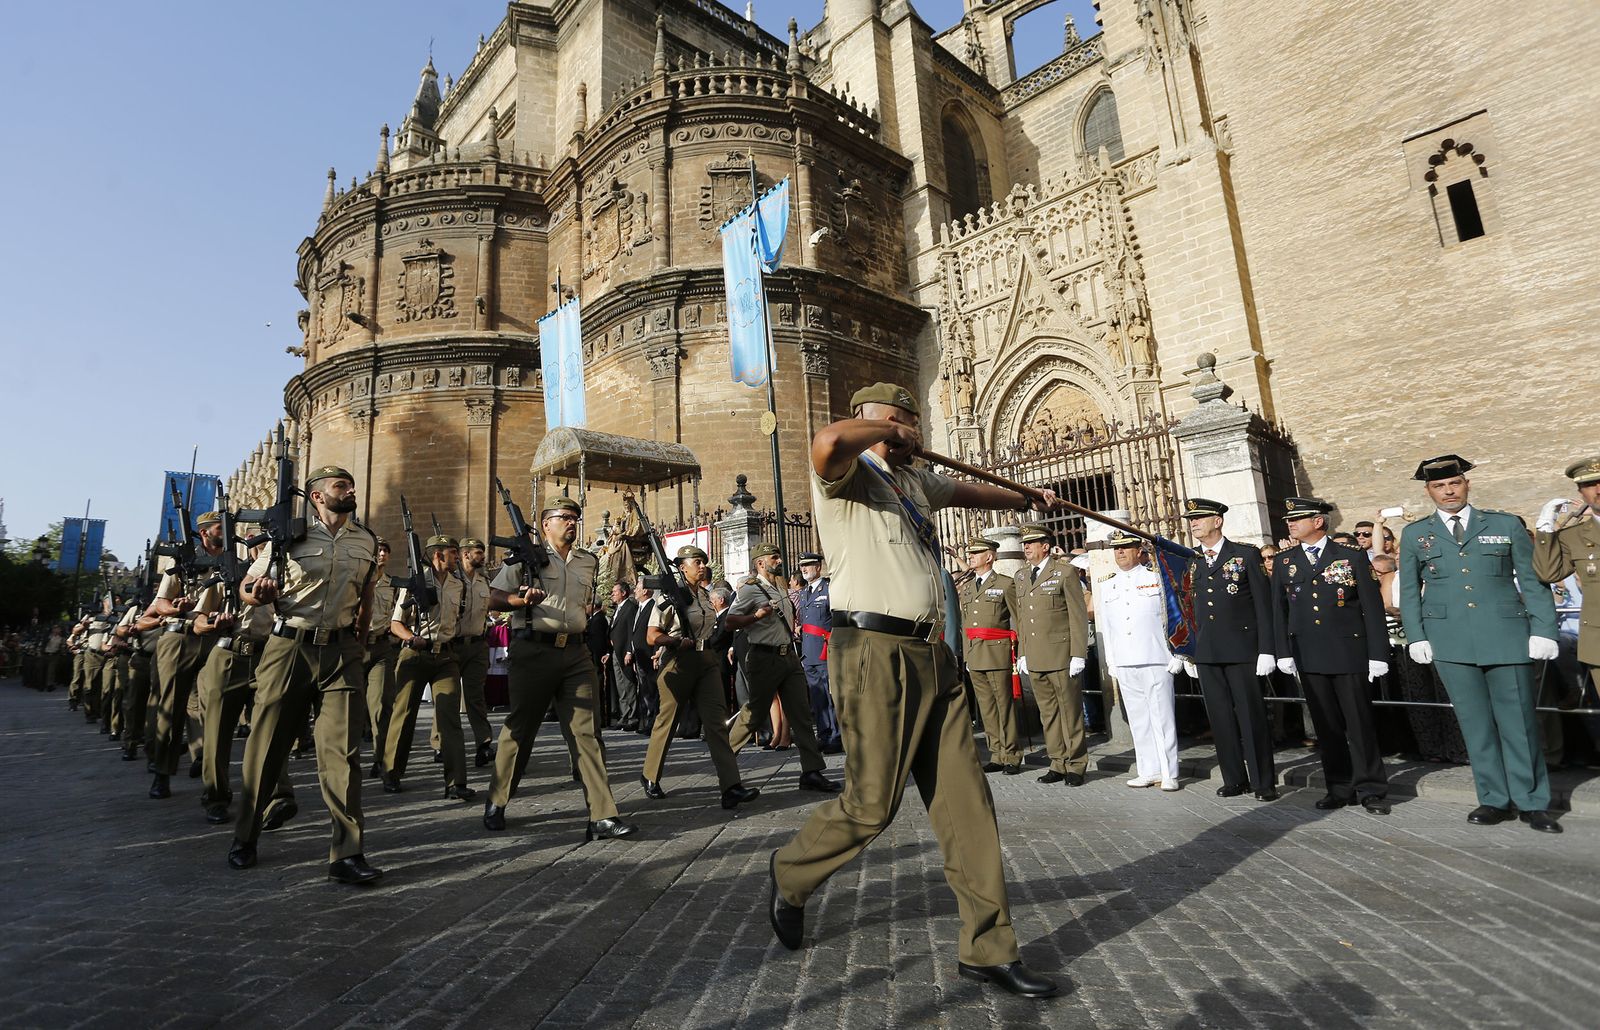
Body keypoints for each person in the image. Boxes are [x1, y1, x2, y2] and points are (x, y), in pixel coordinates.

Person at [768, 382, 1059, 998]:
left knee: (968, 806)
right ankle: (791, 873)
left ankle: (987, 947)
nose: (911, 430)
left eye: (914, 421)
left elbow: (970, 492)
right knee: (871, 806)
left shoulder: (914, 482)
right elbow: (827, 441)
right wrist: (884, 433)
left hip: (934, 655)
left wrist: (1025, 496)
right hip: (873, 653)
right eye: (898, 420)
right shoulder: (847, 476)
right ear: (870, 422)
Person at [232, 465, 382, 883]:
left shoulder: (366, 540)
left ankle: (347, 854)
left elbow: (367, 596)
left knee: (343, 754)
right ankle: (245, 836)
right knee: (267, 745)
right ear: (317, 496)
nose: (349, 491)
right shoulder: (288, 538)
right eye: (341, 486)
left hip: (341, 651)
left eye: (351, 485)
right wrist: (257, 594)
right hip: (289, 648)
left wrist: (360, 644)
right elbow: (247, 587)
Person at [1398, 454, 1561, 833]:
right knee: (1475, 725)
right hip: (1450, 640)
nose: (1448, 491)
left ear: (1466, 484)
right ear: (1429, 491)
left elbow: (1532, 580)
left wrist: (1543, 629)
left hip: (1506, 636)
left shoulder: (1503, 524)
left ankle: (1532, 801)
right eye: (1439, 486)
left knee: (1520, 723)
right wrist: (1416, 636)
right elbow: (1408, 590)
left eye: (1454, 483)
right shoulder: (1415, 534)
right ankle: (1493, 798)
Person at [482, 495, 636, 841]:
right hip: (533, 650)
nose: (570, 522)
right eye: (563, 517)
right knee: (521, 729)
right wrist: (518, 600)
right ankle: (497, 800)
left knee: (587, 733)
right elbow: (491, 597)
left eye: (574, 517)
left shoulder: (588, 561)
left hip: (576, 653)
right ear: (545, 524)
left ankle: (602, 815)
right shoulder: (525, 557)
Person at [1270, 498, 1391, 814]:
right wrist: (1283, 652)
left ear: (1318, 521)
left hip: (1349, 652)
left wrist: (1378, 653)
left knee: (1359, 723)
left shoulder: (1349, 556)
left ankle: (1371, 788)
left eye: (1297, 518)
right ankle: (1339, 787)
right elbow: (1278, 612)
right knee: (1326, 726)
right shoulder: (1285, 561)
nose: (1291, 524)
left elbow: (1371, 608)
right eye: (1289, 520)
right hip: (1309, 654)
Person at [639, 545, 760, 809]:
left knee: (717, 724)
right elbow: (651, 635)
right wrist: (674, 641)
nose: (702, 566)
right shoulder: (670, 597)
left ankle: (731, 786)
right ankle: (650, 775)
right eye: (697, 562)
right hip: (679, 661)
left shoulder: (705, 595)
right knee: (668, 721)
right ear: (682, 568)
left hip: (706, 661)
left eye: (703, 561)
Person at [724, 542, 842, 794]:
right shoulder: (750, 590)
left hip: (788, 657)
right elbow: (730, 622)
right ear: (760, 563)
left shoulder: (780, 587)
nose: (779, 561)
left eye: (778, 557)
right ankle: (725, 762)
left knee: (801, 715)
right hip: (764, 658)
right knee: (754, 713)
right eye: (774, 558)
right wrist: (755, 617)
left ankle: (811, 771)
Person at [1182, 498, 1278, 801]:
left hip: (1242, 649)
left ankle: (1263, 781)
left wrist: (1267, 649)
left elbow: (1263, 605)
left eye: (1199, 518)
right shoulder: (1192, 559)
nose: (1194, 523)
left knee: (1251, 716)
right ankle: (1234, 778)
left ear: (1218, 520)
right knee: (1220, 719)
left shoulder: (1245, 554)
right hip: (1208, 651)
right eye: (1191, 520)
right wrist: (1188, 650)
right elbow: (1188, 608)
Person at [148, 511, 228, 800]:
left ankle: (205, 762)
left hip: (215, 637)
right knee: (171, 706)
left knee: (213, 704)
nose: (226, 531)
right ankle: (162, 772)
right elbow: (160, 603)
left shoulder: (232, 558)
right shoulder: (183, 559)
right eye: (220, 527)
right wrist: (178, 608)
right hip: (180, 637)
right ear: (205, 533)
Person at [1097, 534, 1180, 790]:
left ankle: (1169, 772)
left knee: (1162, 718)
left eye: (1125, 547)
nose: (1120, 552)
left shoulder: (1155, 577)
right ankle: (1148, 770)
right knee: (1138, 720)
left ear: (1139, 550)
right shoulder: (1107, 584)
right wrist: (1111, 660)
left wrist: (1177, 653)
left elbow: (1173, 617)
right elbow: (1107, 626)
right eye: (1116, 549)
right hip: (1125, 659)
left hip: (1155, 657)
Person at [1014, 523, 1091, 784]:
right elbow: (1022, 619)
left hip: (1061, 655)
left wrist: (1078, 653)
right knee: (1048, 714)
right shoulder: (1021, 576)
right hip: (1036, 656)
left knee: (1070, 713)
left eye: (1031, 543)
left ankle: (1076, 764)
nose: (1026, 548)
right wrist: (1022, 653)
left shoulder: (1064, 572)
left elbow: (1077, 616)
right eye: (1025, 544)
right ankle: (1057, 762)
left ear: (1045, 546)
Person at [1534, 456, 1600, 697]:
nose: (1599, 490)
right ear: (1581, 492)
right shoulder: (1574, 536)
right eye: (1590, 484)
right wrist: (1545, 528)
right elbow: (1549, 572)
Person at [958, 538, 1023, 775]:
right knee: (986, 708)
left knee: (1004, 706)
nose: (971, 556)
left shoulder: (1005, 584)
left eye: (976, 553)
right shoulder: (968, 587)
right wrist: (967, 656)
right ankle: (996, 753)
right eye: (970, 553)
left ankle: (1012, 755)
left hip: (997, 652)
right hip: (975, 654)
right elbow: (965, 624)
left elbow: (1019, 619)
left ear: (989, 556)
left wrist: (1020, 653)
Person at [432, 537, 496, 768]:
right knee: (447, 696)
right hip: (453, 645)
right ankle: (441, 743)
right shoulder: (452, 580)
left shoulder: (484, 580)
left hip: (477, 644)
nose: (483, 556)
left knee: (476, 697)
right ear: (466, 554)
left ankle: (483, 744)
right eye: (478, 552)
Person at [794, 553, 842, 753]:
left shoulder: (829, 589)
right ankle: (823, 734)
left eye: (808, 565)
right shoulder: (804, 593)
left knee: (830, 696)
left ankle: (836, 737)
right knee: (817, 697)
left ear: (818, 567)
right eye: (802, 566)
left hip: (824, 651)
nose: (804, 569)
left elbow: (837, 620)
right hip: (809, 652)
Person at [364, 539, 400, 775]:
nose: (382, 554)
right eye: (378, 550)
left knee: (381, 706)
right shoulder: (356, 579)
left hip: (381, 647)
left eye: (386, 550)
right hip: (354, 646)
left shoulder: (392, 585)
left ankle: (382, 760)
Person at [607, 581, 640, 730]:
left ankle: (632, 717)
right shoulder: (618, 609)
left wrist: (629, 651)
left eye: (615, 592)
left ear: (624, 593)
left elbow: (631, 632)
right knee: (620, 685)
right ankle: (624, 715)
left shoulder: (630, 608)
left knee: (628, 684)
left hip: (624, 653)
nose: (612, 594)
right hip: (616, 652)